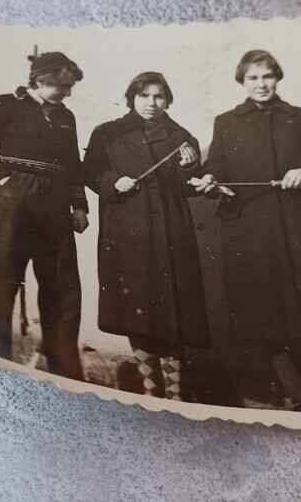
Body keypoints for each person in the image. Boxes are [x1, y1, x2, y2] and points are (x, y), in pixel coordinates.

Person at [192, 50, 301, 413]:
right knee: (265, 316)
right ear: (242, 82)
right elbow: (216, 166)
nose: (261, 84)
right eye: (253, 78)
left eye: (267, 76)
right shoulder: (227, 122)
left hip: (297, 230)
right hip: (251, 233)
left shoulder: (299, 118)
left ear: (277, 78)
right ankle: (295, 397)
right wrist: (211, 181)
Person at [0, 51, 90, 380]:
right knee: (1, 281)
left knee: (63, 287)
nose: (67, 93)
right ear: (40, 78)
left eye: (70, 87)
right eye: (62, 85)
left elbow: (72, 165)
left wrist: (79, 206)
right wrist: (4, 179)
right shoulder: (1, 105)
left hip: (55, 207)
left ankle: (64, 371)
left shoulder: (66, 117)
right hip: (9, 204)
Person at [83, 72, 209, 401]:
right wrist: (112, 181)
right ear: (131, 98)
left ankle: (176, 394)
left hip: (169, 235)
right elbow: (90, 173)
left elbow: (188, 186)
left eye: (159, 97)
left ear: (168, 100)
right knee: (136, 311)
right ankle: (152, 391)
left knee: (172, 315)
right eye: (144, 96)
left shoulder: (181, 138)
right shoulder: (108, 134)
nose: (152, 104)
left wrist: (190, 169)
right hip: (127, 235)